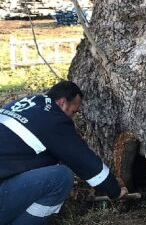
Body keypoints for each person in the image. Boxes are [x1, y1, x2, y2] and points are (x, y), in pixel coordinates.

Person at [0, 81, 128, 224]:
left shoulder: (20, 105)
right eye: (73, 112)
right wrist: (114, 190)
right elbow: (83, 160)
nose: (71, 118)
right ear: (62, 102)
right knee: (61, 178)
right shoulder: (53, 119)